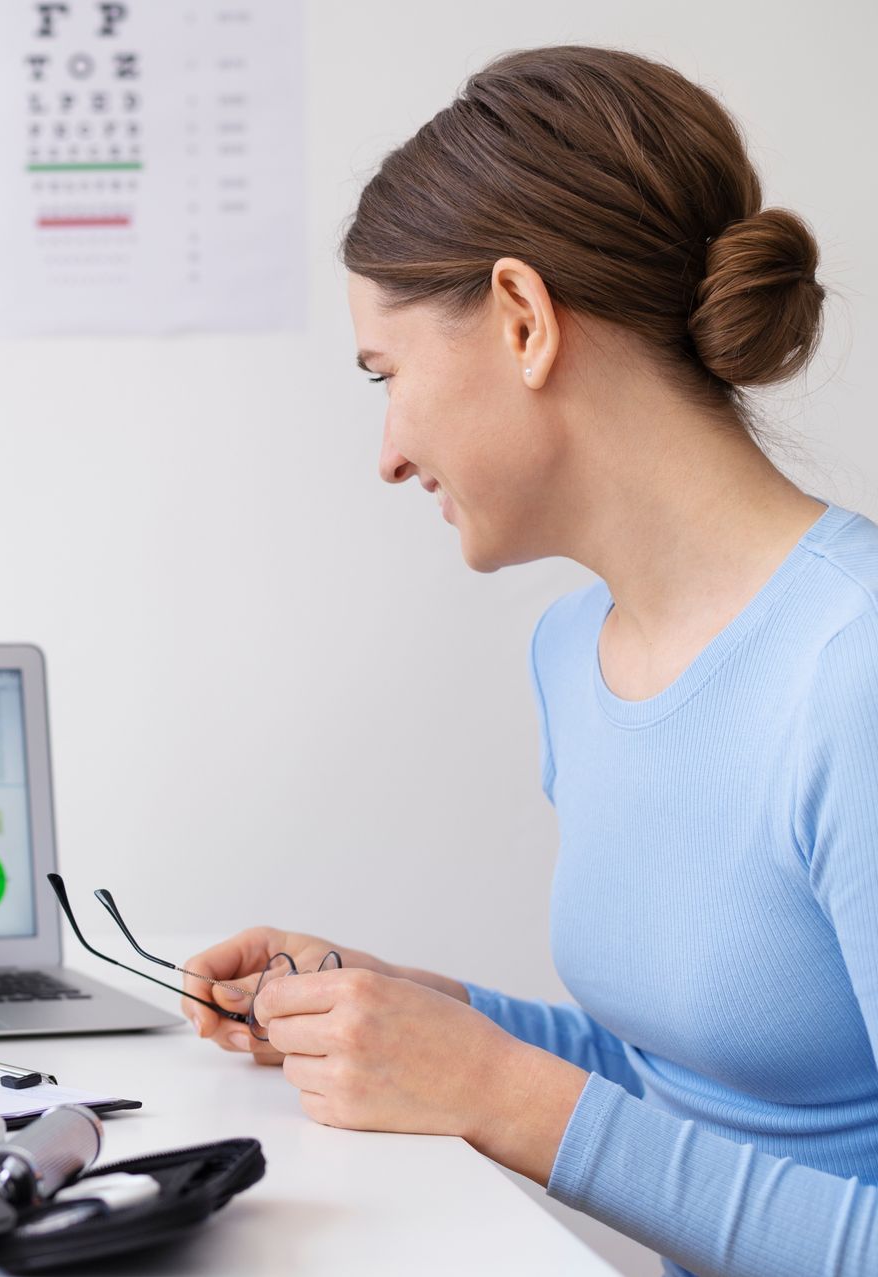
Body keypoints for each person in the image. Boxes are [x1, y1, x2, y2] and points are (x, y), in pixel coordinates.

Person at [181, 47, 875, 1276]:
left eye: (387, 375)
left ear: (522, 318)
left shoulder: (854, 669)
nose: (388, 453)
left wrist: (500, 1092)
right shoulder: (576, 654)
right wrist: (412, 1014)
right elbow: (689, 1091)